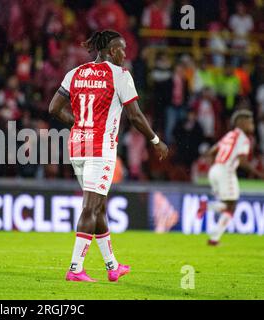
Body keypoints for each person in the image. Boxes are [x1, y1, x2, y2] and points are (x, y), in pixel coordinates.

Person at [48, 30, 168, 282]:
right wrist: (155, 140)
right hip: (101, 148)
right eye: (123, 49)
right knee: (91, 206)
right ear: (112, 51)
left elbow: (54, 108)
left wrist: (77, 123)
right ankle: (75, 269)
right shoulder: (120, 75)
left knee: (98, 205)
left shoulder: (75, 73)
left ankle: (112, 266)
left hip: (77, 146)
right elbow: (135, 116)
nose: (125, 54)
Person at [197, 110, 264, 245]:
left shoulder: (229, 135)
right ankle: (212, 233)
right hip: (226, 172)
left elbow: (211, 151)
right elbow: (243, 162)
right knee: (231, 206)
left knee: (229, 205)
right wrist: (259, 175)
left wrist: (214, 166)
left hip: (216, 170)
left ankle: (213, 233)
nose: (252, 125)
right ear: (242, 123)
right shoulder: (244, 139)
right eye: (250, 122)